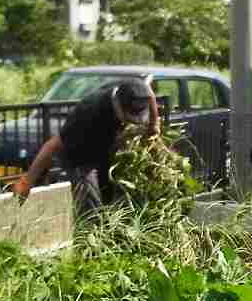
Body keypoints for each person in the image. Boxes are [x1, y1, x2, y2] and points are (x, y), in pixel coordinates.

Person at [12, 79, 160, 220]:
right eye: (129, 118)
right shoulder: (88, 113)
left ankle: (113, 230)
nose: (131, 122)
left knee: (114, 195)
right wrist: (27, 182)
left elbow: (150, 94)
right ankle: (90, 235)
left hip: (105, 148)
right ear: (119, 106)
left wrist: (154, 123)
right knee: (90, 204)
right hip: (80, 157)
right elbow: (52, 146)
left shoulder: (136, 90)